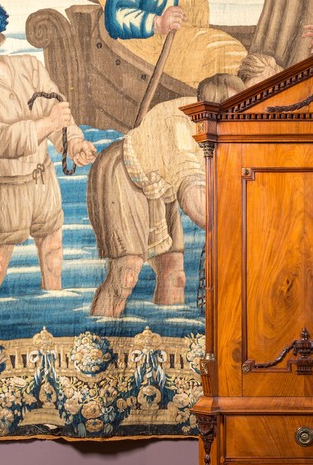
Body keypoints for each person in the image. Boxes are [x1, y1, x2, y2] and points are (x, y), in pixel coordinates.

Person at [0, 0, 98, 299]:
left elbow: (57, 114)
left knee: (53, 264)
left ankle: (54, 324)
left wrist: (73, 143)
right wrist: (46, 125)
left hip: (43, 186)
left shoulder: (29, 67)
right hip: (0, 193)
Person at [86, 74, 243, 317]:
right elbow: (193, 197)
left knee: (175, 276)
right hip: (124, 173)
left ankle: (169, 339)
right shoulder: (180, 128)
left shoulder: (224, 127)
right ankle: (95, 343)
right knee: (126, 275)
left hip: (162, 187)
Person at [92, 0, 247, 88]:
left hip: (184, 43)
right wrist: (158, 22)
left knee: (236, 59)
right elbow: (116, 18)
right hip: (148, 46)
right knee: (226, 54)